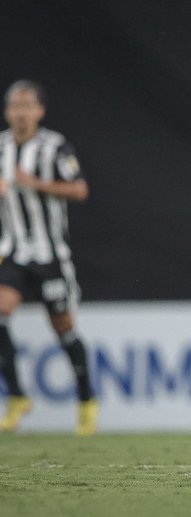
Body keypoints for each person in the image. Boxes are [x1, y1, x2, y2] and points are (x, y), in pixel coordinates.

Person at [0, 80, 98, 434]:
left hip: (49, 254)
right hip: (13, 252)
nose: (20, 112)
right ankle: (17, 395)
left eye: (27, 105)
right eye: (14, 106)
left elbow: (79, 188)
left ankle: (86, 399)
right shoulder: (1, 147)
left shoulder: (54, 147)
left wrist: (36, 183)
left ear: (40, 111)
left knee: (63, 329)